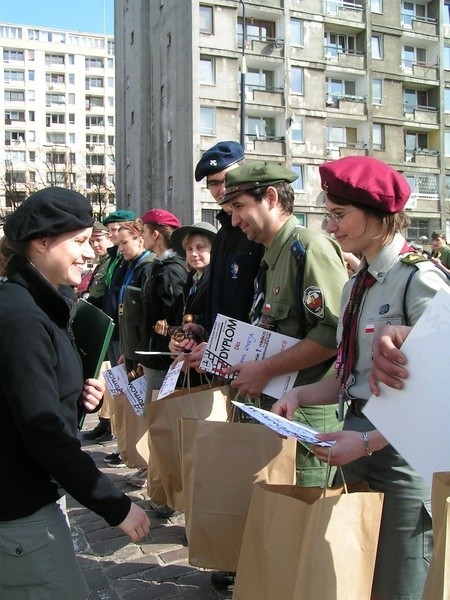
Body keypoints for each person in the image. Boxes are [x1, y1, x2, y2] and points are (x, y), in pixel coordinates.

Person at [272, 155, 449, 600]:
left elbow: (440, 383)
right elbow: (348, 373)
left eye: (339, 215)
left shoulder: (419, 279)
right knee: (363, 573)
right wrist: (300, 396)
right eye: (328, 215)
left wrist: (369, 441)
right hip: (358, 440)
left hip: (403, 454)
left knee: (403, 581)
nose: (330, 228)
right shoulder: (356, 285)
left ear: (381, 216)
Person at [0, 188, 150, 600]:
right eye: (80, 241)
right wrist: (114, 505)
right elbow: (42, 429)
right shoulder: (21, 317)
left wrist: (77, 392)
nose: (90, 253)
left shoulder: (42, 302)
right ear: (42, 242)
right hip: (21, 512)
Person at [218, 160, 348, 482]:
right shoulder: (271, 254)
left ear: (272, 198)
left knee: (302, 522)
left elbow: (333, 333)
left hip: (305, 420)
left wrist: (264, 369)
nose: (234, 221)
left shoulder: (308, 248)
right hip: (277, 412)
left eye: (239, 206)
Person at [139, 209, 188, 518]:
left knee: (162, 426)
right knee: (156, 424)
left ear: (155, 234)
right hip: (156, 354)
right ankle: (162, 489)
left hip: (164, 358)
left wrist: (170, 344)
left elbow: (173, 315)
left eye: (144, 231)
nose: (142, 236)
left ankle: (170, 497)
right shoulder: (160, 266)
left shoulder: (171, 270)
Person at [115, 219, 154, 488]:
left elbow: (145, 315)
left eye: (124, 243)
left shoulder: (147, 267)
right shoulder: (131, 267)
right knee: (138, 407)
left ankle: (151, 465)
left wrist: (138, 352)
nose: (120, 249)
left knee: (148, 408)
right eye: (118, 244)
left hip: (142, 352)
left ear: (140, 240)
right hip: (130, 349)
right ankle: (144, 463)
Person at [100, 210, 135, 467]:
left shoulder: (140, 263)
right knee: (119, 394)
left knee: (130, 397)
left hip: (127, 337)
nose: (114, 239)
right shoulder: (117, 259)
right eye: (112, 233)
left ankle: (129, 450)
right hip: (116, 331)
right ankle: (122, 445)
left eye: (118, 233)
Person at [168, 221, 217, 384]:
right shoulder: (190, 280)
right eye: (189, 249)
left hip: (204, 366)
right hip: (187, 362)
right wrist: (175, 342)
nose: (194, 253)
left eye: (200, 247)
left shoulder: (216, 280)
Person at [82, 221, 115, 443]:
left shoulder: (113, 262)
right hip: (101, 321)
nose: (95, 245)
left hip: (110, 325)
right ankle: (105, 422)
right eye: (92, 240)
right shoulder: (103, 262)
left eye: (98, 239)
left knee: (108, 377)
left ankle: (109, 424)